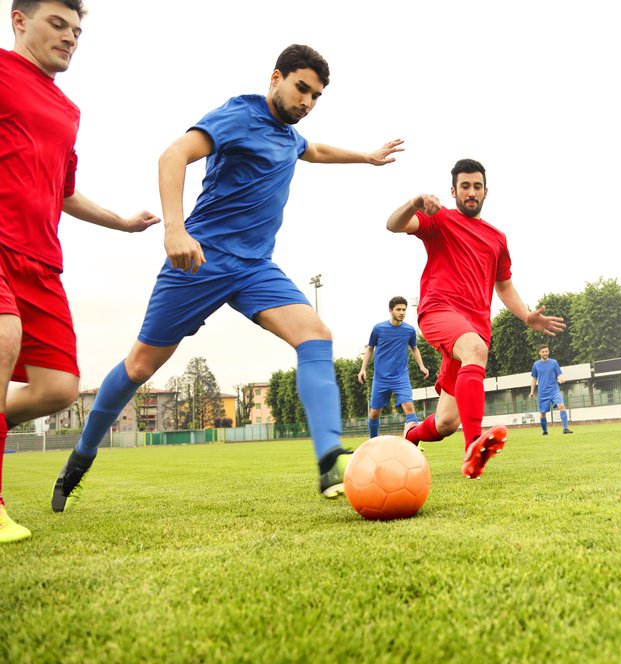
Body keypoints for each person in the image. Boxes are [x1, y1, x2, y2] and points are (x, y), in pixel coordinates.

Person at [50, 44, 404, 512]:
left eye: (316, 96)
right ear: (275, 77)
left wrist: (367, 156)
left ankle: (329, 461)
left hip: (256, 267)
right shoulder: (241, 115)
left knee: (316, 335)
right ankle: (82, 455)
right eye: (301, 88)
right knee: (138, 367)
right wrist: (175, 229)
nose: (307, 102)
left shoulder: (290, 136)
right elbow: (172, 155)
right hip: (200, 260)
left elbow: (313, 149)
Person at [0, 0, 160, 543]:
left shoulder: (68, 111)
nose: (70, 37)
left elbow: (63, 191)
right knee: (4, 338)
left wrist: (119, 221)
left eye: (76, 30)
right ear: (19, 20)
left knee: (59, 388)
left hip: (40, 262)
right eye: (57, 24)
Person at [387, 159, 564, 479]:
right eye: (464, 186)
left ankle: (410, 435)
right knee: (475, 350)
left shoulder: (497, 238)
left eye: (477, 186)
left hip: (474, 328)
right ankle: (473, 449)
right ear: (453, 191)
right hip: (439, 310)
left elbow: (504, 285)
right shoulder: (439, 219)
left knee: (445, 423)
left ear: (486, 192)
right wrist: (414, 203)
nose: (471, 192)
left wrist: (526, 316)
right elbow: (394, 224)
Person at [357, 296, 430, 438]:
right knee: (374, 413)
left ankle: (414, 444)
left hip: (401, 377)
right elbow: (370, 348)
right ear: (390, 310)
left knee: (409, 407)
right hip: (380, 378)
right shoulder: (378, 329)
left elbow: (414, 348)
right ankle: (373, 441)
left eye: (404, 309)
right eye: (398, 309)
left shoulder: (409, 330)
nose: (402, 312)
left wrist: (421, 366)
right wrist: (362, 369)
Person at [528, 344, 573, 435]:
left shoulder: (554, 362)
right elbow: (534, 379)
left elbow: (559, 374)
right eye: (543, 352)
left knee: (561, 406)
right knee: (543, 413)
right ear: (539, 353)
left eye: (546, 351)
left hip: (554, 390)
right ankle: (545, 431)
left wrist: (560, 379)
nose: (545, 353)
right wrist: (531, 392)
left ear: (548, 352)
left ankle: (565, 428)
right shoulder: (536, 364)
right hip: (543, 392)